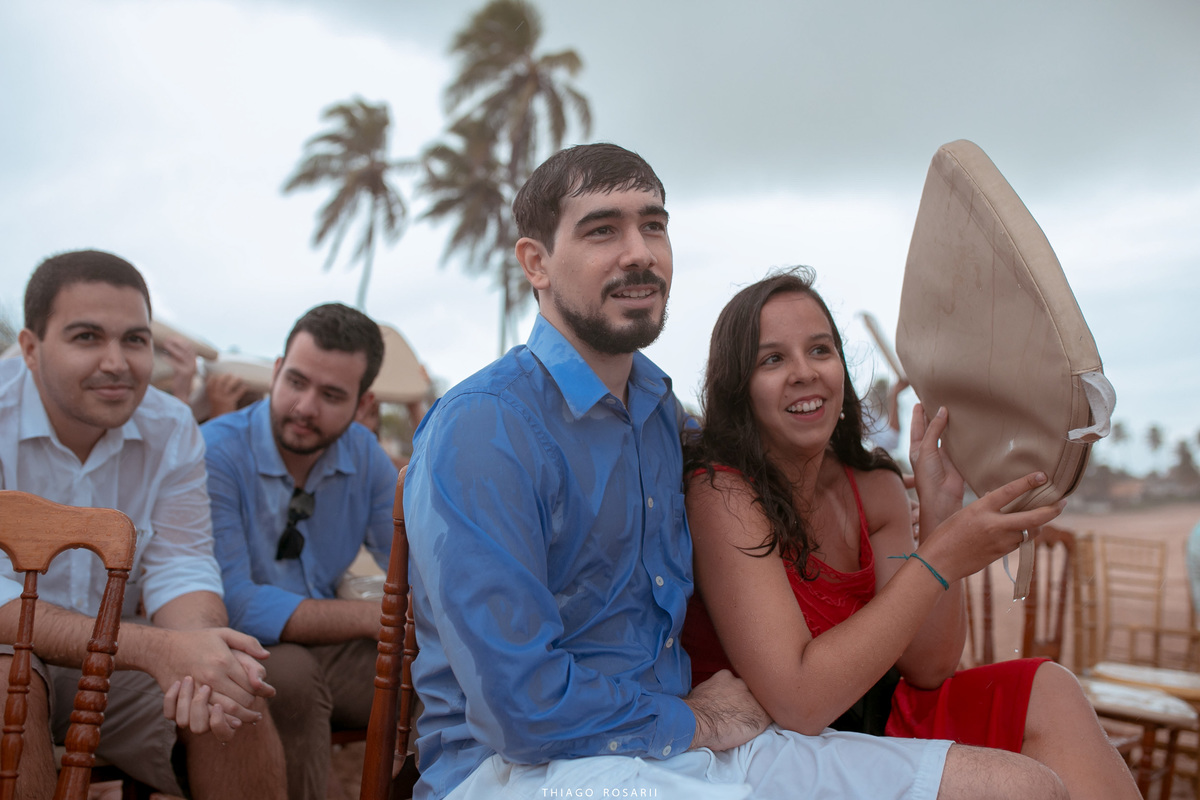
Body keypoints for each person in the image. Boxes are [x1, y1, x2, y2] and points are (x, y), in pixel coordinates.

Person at [404, 144, 1070, 800]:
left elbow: (793, 467)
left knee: (1021, 788)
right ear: (536, 262)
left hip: (680, 748)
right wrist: (696, 720)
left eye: (653, 225)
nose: (638, 250)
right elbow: (519, 707)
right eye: (603, 229)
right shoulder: (483, 428)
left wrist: (960, 466)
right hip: (521, 771)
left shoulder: (664, 420)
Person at [681, 268, 1140, 799]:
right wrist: (940, 560)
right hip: (771, 743)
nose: (804, 373)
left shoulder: (872, 485)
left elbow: (929, 666)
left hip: (868, 718)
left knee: (1052, 688)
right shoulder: (722, 494)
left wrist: (941, 518)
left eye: (820, 350)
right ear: (738, 388)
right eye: (773, 359)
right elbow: (800, 701)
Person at [0, 249, 286, 799]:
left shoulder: (171, 425)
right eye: (87, 337)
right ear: (31, 349)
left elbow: (182, 566)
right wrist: (155, 650)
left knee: (233, 693)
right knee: (8, 682)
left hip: (113, 665)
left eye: (135, 339)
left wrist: (200, 648)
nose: (117, 362)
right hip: (12, 649)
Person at [202, 303, 397, 800]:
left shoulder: (366, 455)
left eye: (332, 395)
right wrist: (369, 617)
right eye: (295, 382)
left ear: (362, 402)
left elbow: (409, 560)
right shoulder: (217, 451)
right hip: (237, 644)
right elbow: (234, 601)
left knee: (441, 671)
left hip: (331, 650)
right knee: (288, 678)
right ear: (275, 371)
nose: (305, 407)